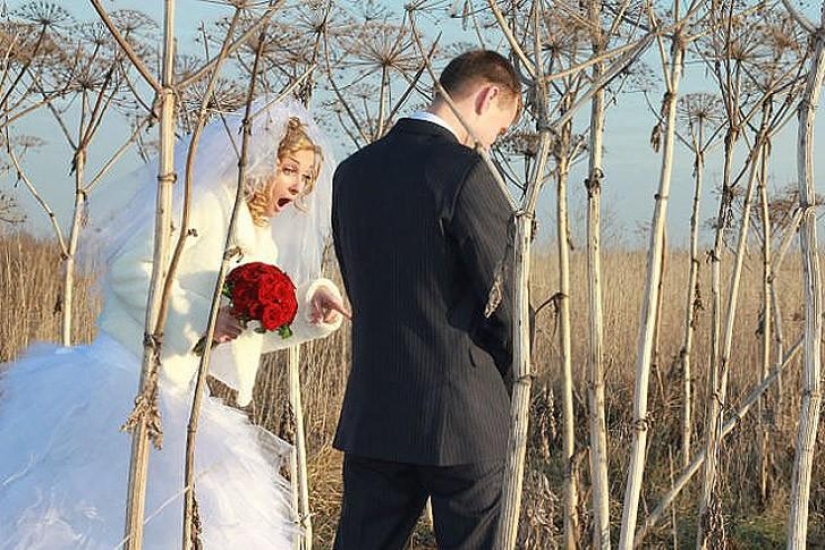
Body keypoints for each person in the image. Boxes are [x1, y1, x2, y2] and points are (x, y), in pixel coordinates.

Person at [0, 98, 348, 549]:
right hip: (126, 380)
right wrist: (199, 317)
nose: (298, 187)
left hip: (185, 397)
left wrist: (306, 315)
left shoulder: (259, 235)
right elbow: (130, 269)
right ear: (260, 160)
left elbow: (244, 336)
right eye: (289, 170)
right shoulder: (199, 202)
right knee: (93, 517)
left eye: (307, 178)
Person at [331, 50, 522, 549]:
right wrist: (507, 380)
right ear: (487, 97)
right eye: (499, 129)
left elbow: (359, 283)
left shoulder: (352, 173)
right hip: (465, 414)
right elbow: (505, 302)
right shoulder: (465, 174)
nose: (492, 143)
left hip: (376, 411)